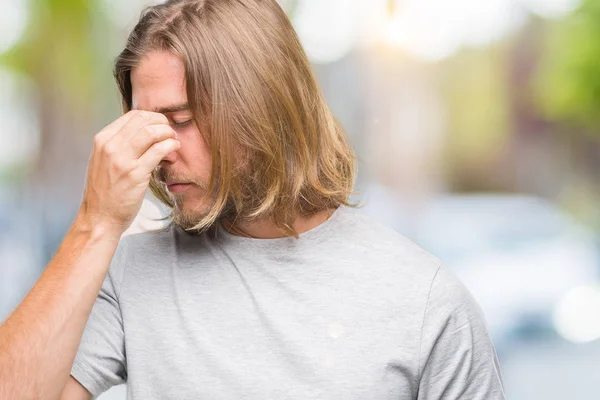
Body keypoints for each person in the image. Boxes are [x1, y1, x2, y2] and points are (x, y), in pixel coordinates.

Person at [0, 0, 505, 399]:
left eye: (180, 120)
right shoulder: (130, 273)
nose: (161, 152)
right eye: (145, 125)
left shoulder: (425, 302)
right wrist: (96, 223)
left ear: (261, 105)